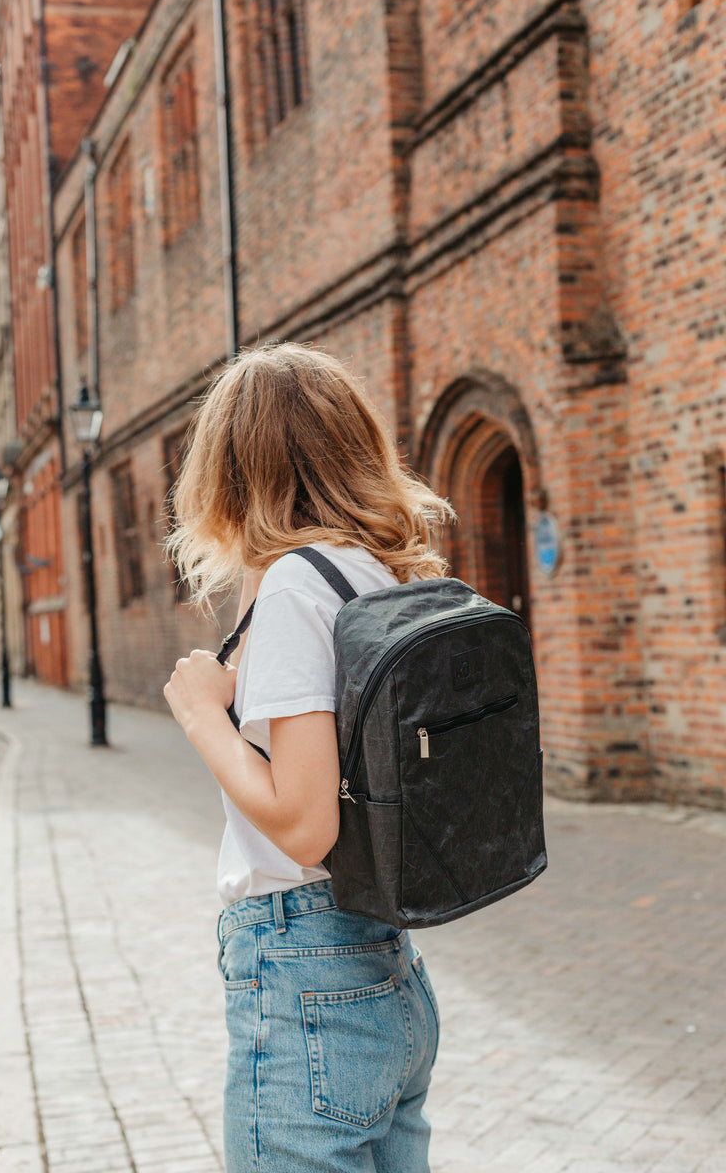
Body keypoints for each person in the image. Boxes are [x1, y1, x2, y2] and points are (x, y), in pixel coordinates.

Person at [163, 342, 452, 1173]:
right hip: (382, 962)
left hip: (305, 971)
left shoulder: (296, 586)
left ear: (228, 468)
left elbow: (304, 821)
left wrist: (201, 717)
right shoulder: (372, 570)